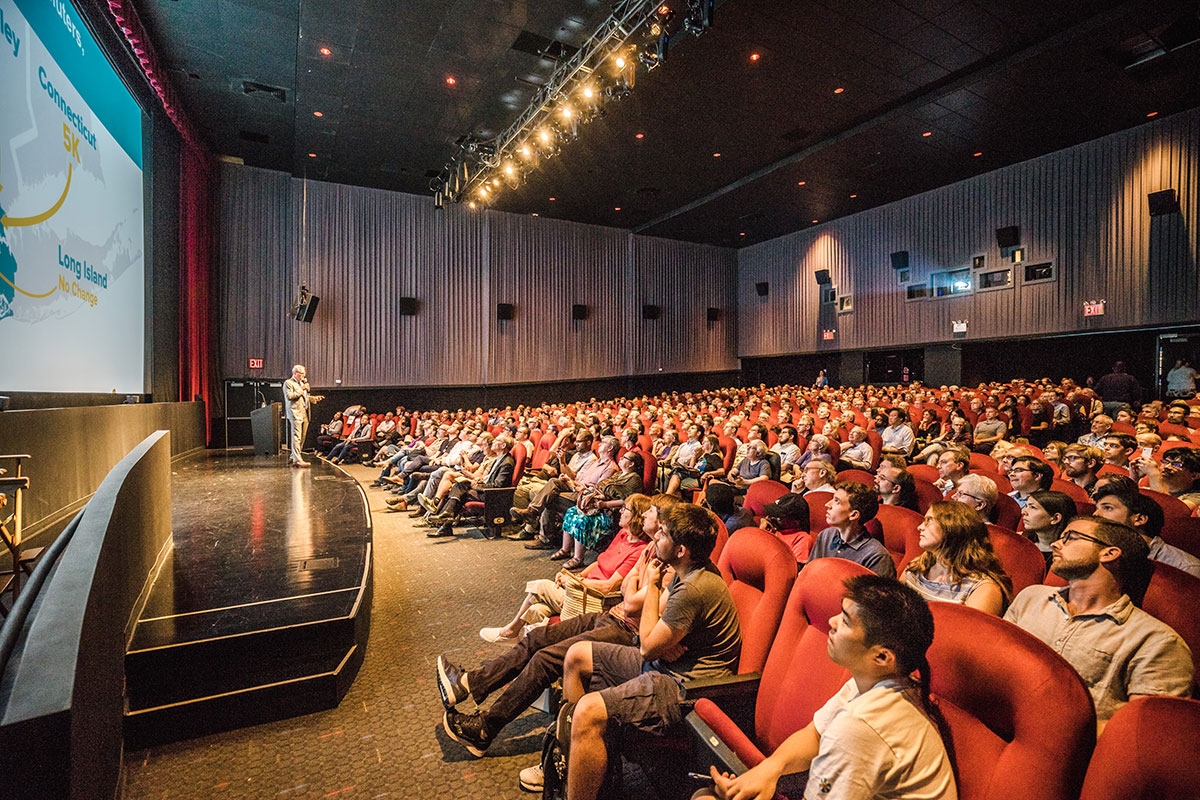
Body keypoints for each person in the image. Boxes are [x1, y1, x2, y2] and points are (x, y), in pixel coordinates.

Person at [437, 495, 681, 760]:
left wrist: (631, 589)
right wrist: (630, 589)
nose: (644, 515)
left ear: (664, 522)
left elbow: (631, 602)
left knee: (545, 659)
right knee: (539, 637)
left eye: (652, 512)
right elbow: (626, 589)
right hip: (609, 614)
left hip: (627, 631)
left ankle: (485, 728)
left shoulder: (666, 565)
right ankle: (469, 684)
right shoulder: (650, 550)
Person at [695, 575, 957, 800]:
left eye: (845, 621)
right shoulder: (876, 682)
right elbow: (815, 734)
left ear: (881, 657)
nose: (831, 621)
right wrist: (769, 769)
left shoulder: (860, 726)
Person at [558, 503, 741, 800]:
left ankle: (583, 769)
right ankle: (593, 766)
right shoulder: (687, 569)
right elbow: (652, 626)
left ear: (681, 550)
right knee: (577, 655)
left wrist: (653, 586)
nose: (656, 536)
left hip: (685, 687)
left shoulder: (694, 586)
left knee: (588, 711)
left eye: (664, 534)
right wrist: (657, 639)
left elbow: (645, 646)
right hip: (665, 666)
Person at [1005, 515, 1193, 733]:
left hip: (1074, 755)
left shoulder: (1155, 641)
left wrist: (1047, 726)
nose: (1056, 543)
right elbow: (995, 666)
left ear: (1109, 553)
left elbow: (1144, 734)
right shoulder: (1031, 597)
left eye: (1070, 538)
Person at [479, 494, 653, 643]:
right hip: (582, 586)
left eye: (626, 509)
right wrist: (575, 575)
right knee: (536, 610)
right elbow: (598, 563)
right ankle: (520, 645)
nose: (621, 511)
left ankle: (509, 632)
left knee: (539, 587)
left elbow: (609, 586)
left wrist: (575, 582)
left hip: (591, 599)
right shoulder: (623, 535)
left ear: (637, 517)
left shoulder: (639, 550)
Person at [904, 501, 1012, 615]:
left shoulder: (983, 589)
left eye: (929, 520)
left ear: (953, 527)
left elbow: (968, 632)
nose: (919, 527)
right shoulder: (915, 568)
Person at [1090, 477, 1200, 579]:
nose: (1095, 514)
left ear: (1139, 519)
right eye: (1097, 508)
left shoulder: (1185, 568)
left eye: (1107, 508)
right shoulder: (1097, 555)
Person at [557, 452, 645, 569]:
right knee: (571, 512)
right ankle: (566, 549)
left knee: (581, 520)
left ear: (631, 464)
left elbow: (628, 501)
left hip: (610, 512)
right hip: (597, 505)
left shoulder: (634, 479)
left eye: (624, 458)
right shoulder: (618, 474)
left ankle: (578, 558)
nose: (621, 458)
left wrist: (604, 504)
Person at [806, 482, 895, 577]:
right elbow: (809, 574)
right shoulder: (826, 535)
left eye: (837, 501)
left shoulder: (877, 556)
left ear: (853, 515)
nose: (827, 504)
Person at [1020, 490, 1076, 566]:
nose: (1024, 512)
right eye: (1026, 506)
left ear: (1055, 518)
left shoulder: (1069, 555)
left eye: (1033, 507)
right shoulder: (1020, 540)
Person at [283, 364, 322, 466]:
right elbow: (290, 396)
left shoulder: (301, 383)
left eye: (304, 374)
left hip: (304, 413)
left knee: (302, 436)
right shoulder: (288, 383)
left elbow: (303, 398)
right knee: (297, 436)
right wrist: (302, 388)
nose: (304, 376)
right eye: (301, 374)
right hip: (295, 413)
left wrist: (313, 398)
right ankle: (297, 460)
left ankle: (293, 456)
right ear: (295, 373)